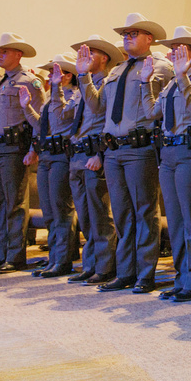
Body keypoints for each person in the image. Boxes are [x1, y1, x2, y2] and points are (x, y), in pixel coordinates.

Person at [80, 14, 173, 293]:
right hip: (113, 150)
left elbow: (163, 108)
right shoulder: (116, 71)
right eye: (125, 33)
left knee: (144, 211)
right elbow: (97, 108)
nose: (127, 37)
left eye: (134, 33)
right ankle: (125, 271)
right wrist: (84, 75)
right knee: (121, 213)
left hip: (140, 147)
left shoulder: (162, 67)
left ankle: (145, 274)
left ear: (149, 39)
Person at [141, 28, 191, 302]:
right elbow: (151, 113)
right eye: (171, 49)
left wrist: (184, 77)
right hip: (169, 154)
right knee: (175, 220)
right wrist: (145, 83)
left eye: (178, 48)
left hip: (190, 152)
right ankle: (182, 277)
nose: (172, 53)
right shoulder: (171, 83)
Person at [0, 33, 45, 273]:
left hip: (14, 148)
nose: (0, 55)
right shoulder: (3, 81)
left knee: (14, 204)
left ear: (18, 54)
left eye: (4, 51)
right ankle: (0, 253)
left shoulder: (29, 82)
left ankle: (14, 256)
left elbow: (39, 118)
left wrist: (35, 148)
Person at [62, 35, 121, 285]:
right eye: (82, 55)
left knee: (100, 214)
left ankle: (106, 267)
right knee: (85, 215)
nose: (84, 59)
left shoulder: (107, 84)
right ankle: (90, 264)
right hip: (77, 154)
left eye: (90, 54)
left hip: (94, 154)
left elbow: (104, 118)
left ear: (104, 58)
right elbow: (69, 118)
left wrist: (100, 154)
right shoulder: (79, 89)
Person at [19, 53, 78, 278]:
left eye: (55, 73)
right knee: (49, 211)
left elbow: (62, 119)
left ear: (68, 75)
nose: (49, 77)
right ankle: (54, 257)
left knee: (61, 208)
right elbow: (42, 125)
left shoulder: (75, 95)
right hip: (45, 156)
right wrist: (27, 108)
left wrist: (56, 92)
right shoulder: (48, 97)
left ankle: (63, 260)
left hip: (62, 155)